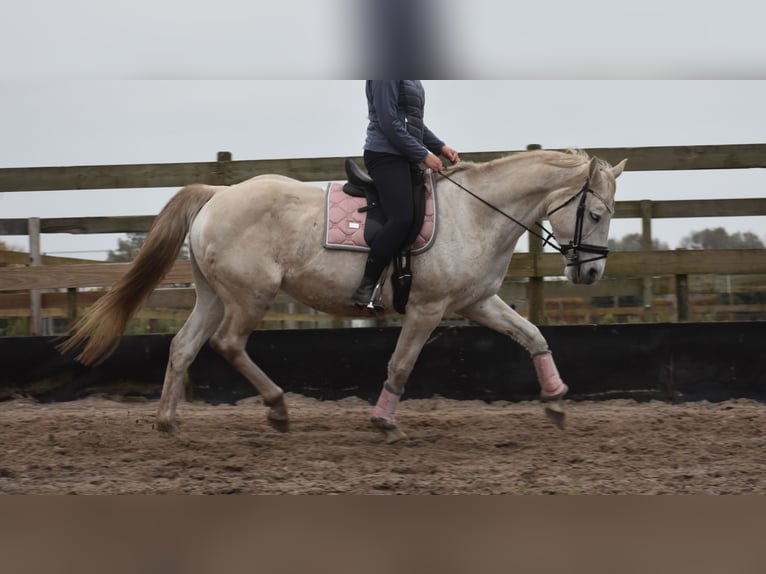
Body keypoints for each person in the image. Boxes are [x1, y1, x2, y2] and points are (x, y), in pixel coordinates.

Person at [351, 80, 460, 309]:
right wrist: (423, 154)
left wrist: (439, 146)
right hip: (385, 155)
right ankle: (367, 286)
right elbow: (389, 122)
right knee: (401, 218)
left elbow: (413, 123)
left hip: (404, 155)